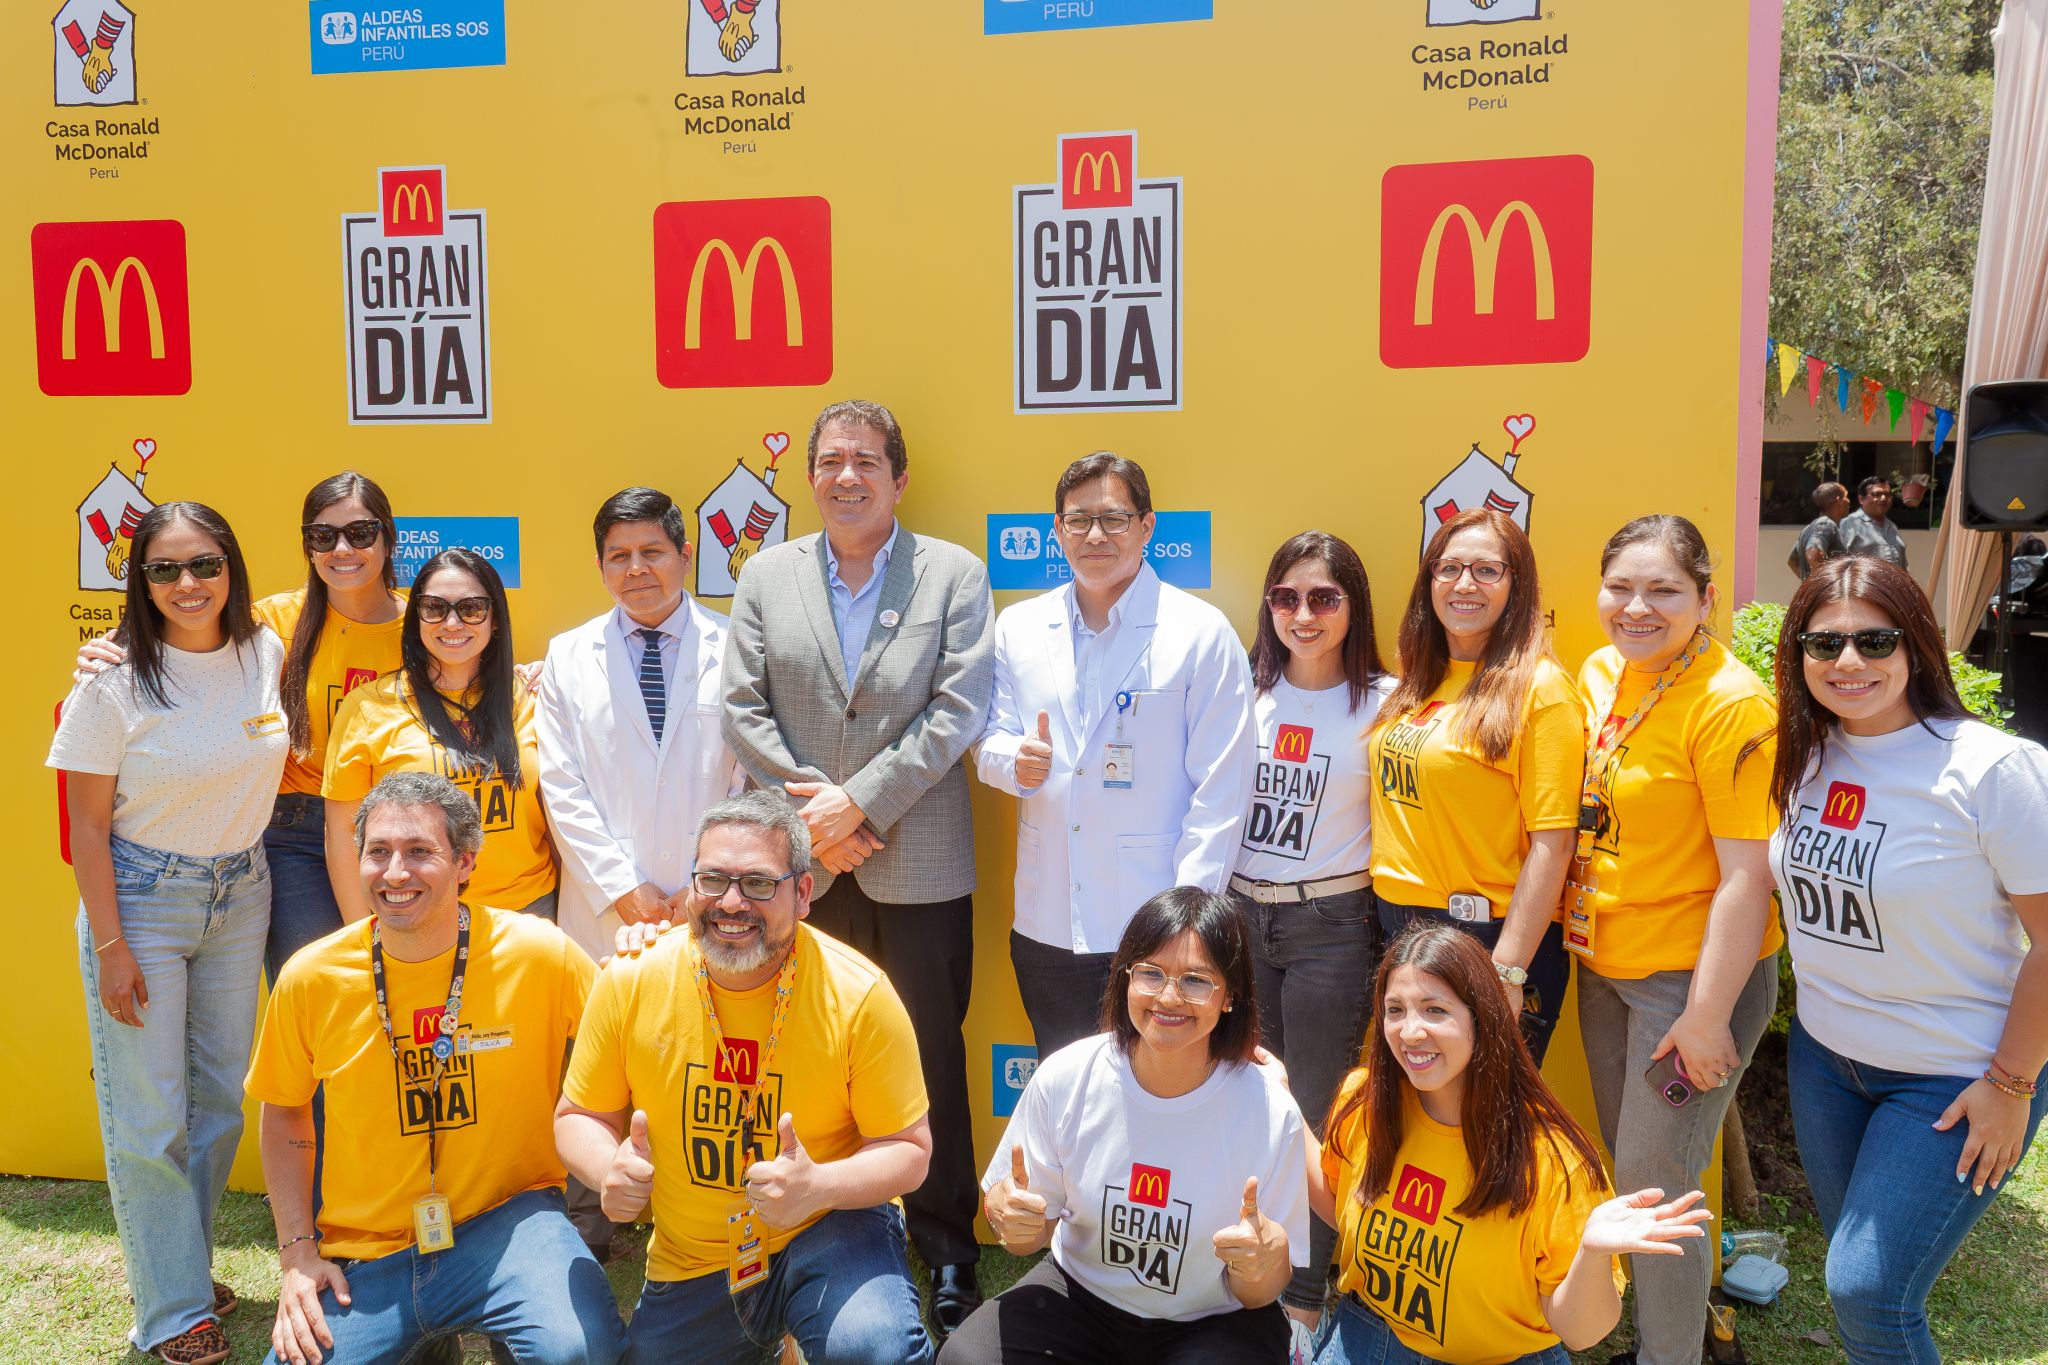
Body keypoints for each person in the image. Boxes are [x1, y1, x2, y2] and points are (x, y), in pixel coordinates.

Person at [720, 399, 995, 1333]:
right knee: (804, 1053)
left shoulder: (952, 574)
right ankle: (819, 1228)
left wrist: (860, 803)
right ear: (810, 477)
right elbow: (742, 707)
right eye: (832, 460)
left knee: (930, 1053)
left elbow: (958, 707)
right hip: (806, 866)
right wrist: (818, 818)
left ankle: (948, 1246)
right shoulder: (767, 574)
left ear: (899, 477)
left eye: (867, 460)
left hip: (918, 862)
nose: (847, 475)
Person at [1766, 557, 2047, 1364]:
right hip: (1826, 1062)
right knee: (1860, 1282)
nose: (1848, 661)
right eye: (1825, 643)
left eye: (1874, 640)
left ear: (1916, 643)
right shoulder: (1804, 754)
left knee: (1868, 1290)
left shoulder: (1992, 768)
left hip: (1954, 1075)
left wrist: (2012, 1083)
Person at [248, 771, 624, 1365]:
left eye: (420, 851)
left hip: (510, 1223)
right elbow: (285, 1110)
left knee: (579, 1350)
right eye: (378, 852)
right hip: (369, 1252)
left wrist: (647, 952)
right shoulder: (311, 977)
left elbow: (627, 1036)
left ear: (465, 862)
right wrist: (297, 1253)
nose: (396, 873)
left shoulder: (539, 953)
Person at [555, 791, 936, 1365]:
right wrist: (607, 1166)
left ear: (803, 893)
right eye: (712, 880)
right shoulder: (631, 980)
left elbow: (909, 1150)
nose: (731, 903)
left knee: (872, 1349)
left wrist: (818, 1187)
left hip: (831, 1227)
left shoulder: (860, 995)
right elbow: (579, 1116)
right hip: (695, 1256)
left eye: (758, 883)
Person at [50, 502, 288, 1365]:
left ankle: (177, 1266)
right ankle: (171, 1309)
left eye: (205, 564)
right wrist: (112, 947)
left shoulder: (265, 649)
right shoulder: (109, 682)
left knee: (219, 1100)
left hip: (242, 890)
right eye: (165, 568)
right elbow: (85, 827)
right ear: (141, 582)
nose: (188, 583)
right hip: (142, 901)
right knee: (149, 1116)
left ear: (231, 567)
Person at [1571, 515, 1780, 1365]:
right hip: (1603, 962)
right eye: (1621, 586)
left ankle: (1672, 1358)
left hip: (1691, 983)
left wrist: (1706, 1015)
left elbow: (1748, 876)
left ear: (1706, 598)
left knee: (1658, 1188)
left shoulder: (1732, 702)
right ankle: (1678, 1336)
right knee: (1637, 1180)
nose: (1637, 607)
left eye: (1663, 590)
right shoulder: (1599, 671)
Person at [1310, 924, 1710, 1365]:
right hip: (1368, 1339)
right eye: (1395, 1010)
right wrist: (1282, 1114)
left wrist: (1592, 1254)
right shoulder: (1362, 1100)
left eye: (1435, 1010)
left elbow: (1581, 1334)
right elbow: (1339, 1203)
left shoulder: (1553, 1160)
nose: (1410, 1032)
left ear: (1483, 1017)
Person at [947, 887, 1309, 1364]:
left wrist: (1263, 1262)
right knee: (966, 1357)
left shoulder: (1270, 1111)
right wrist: (1011, 1219)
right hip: (1080, 1297)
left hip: (1213, 1319)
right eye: (1150, 974)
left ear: (1231, 996)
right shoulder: (1069, 1075)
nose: (1169, 997)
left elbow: (1258, 1292)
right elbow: (1024, 1231)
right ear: (1125, 979)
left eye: (1196, 980)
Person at [71, 472, 406, 982]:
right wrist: (111, 648)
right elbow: (180, 626)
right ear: (307, 545)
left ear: (388, 536)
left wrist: (526, 674)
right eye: (323, 536)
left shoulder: (426, 625)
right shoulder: (272, 624)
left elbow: (476, 667)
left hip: (396, 825)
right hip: (295, 833)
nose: (342, 549)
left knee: (402, 980)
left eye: (360, 533)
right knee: (318, 988)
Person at [976, 453, 1256, 1059]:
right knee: (1067, 1084)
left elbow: (1222, 791)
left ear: (1147, 526)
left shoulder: (1200, 633)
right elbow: (989, 738)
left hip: (1155, 926)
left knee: (1162, 1085)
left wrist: (1189, 923)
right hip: (1049, 921)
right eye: (1078, 521)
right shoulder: (1020, 628)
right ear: (1057, 530)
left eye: (1113, 519)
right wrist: (1012, 760)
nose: (1094, 536)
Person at [1228, 530, 1396, 1338]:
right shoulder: (1240, 691)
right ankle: (1248, 1261)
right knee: (1246, 1092)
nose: (1304, 613)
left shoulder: (1389, 701)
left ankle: (1304, 1291)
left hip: (1332, 922)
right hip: (1241, 917)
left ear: (1353, 607)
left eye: (1324, 597)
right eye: (1286, 597)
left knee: (1321, 1109)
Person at [1366, 509, 1580, 1063]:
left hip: (1487, 938)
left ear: (1516, 585)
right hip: (1400, 929)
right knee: (1421, 1104)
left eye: (1487, 570)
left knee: (1485, 1109)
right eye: (1450, 568)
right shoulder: (1419, 678)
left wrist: (1506, 970)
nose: (1465, 584)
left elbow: (1555, 844)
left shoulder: (1541, 690)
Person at [538, 487, 744, 960]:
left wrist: (707, 880)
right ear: (600, 566)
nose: (635, 569)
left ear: (685, 557)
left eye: (652, 552)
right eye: (619, 556)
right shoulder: (566, 656)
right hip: (604, 906)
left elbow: (748, 779)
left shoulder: (738, 645)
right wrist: (621, 887)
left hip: (713, 898)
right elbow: (561, 785)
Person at [324, 548, 558, 923]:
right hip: (417, 912)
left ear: (495, 620)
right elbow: (341, 832)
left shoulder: (531, 698)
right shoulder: (368, 707)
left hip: (528, 910)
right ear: (416, 618)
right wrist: (361, 931)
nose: (452, 623)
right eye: (434, 608)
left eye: (471, 608)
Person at [1836, 476, 1908, 570]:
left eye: (1887, 495)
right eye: (1876, 494)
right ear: (1861, 499)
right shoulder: (1850, 524)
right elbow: (1838, 562)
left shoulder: (1891, 527)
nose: (1883, 498)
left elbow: (1903, 566)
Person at [1788, 481, 1849, 580]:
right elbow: (1813, 554)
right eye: (1846, 497)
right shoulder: (1826, 525)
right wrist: (1828, 584)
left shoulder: (1809, 528)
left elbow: (1792, 561)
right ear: (1839, 501)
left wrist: (1808, 583)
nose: (1848, 501)